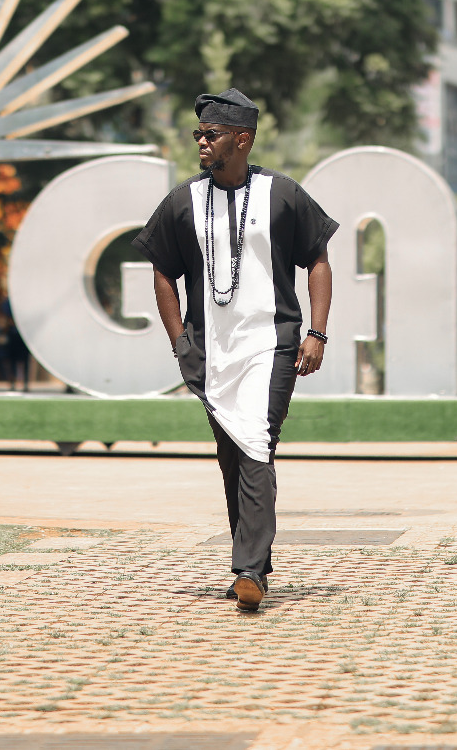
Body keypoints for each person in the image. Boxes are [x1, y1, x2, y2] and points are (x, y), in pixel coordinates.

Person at [133, 88, 336, 614]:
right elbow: (161, 269)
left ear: (242, 140)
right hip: (211, 351)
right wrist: (180, 340)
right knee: (231, 454)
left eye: (212, 134)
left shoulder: (283, 195)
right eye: (198, 134)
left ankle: (247, 570)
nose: (201, 142)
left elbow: (318, 259)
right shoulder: (183, 200)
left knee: (256, 442)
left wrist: (317, 333)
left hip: (273, 343)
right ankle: (255, 565)